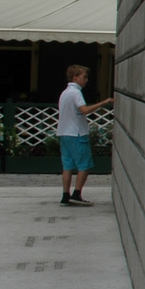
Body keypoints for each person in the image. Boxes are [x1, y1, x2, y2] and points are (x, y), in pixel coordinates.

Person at [58, 65, 112, 206]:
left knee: (67, 166)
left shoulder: (65, 93)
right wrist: (104, 102)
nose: (86, 80)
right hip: (77, 132)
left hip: (64, 132)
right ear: (75, 77)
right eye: (84, 77)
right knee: (84, 165)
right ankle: (77, 193)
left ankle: (65, 194)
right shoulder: (76, 93)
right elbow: (84, 109)